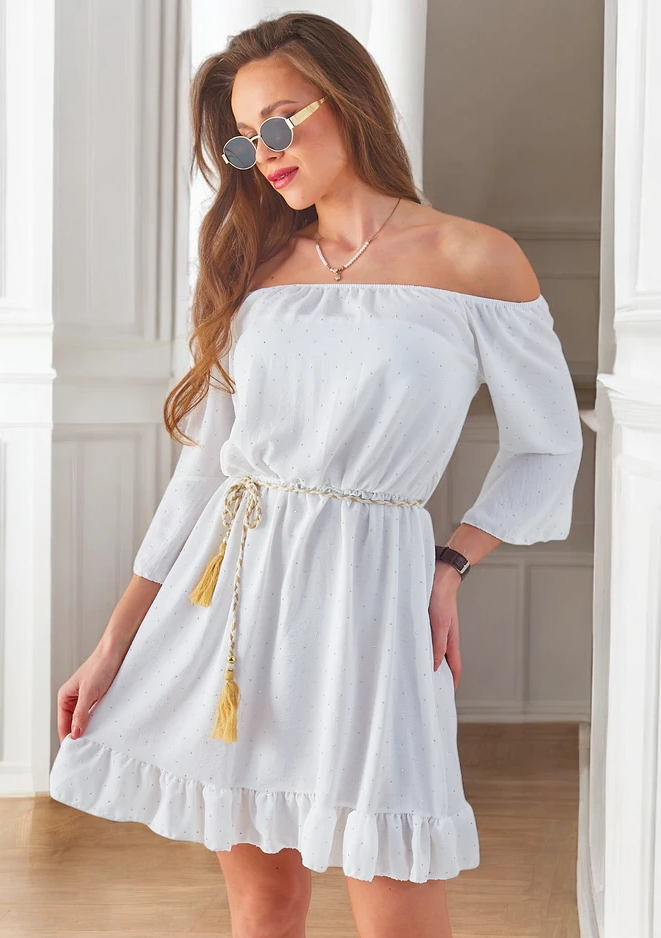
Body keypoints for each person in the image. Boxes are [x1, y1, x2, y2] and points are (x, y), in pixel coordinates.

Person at [49, 12, 584, 937]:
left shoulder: (475, 259)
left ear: (349, 101)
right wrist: (113, 644)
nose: (264, 155)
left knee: (398, 907)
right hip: (235, 600)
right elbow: (204, 474)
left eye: (279, 123)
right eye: (244, 140)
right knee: (264, 905)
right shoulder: (254, 267)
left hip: (375, 605)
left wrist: (452, 563)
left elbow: (547, 446)